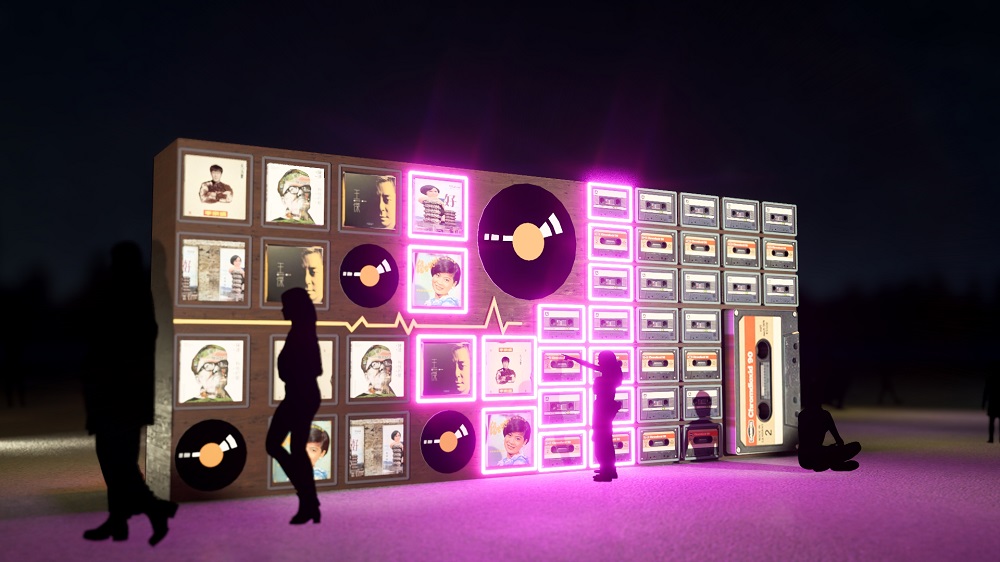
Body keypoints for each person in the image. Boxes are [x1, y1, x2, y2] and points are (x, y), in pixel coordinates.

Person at [82, 241, 178, 546]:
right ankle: (120, 520)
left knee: (117, 462)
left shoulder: (127, 292)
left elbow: (110, 344)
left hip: (118, 394)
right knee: (119, 461)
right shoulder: (145, 290)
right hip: (127, 394)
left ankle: (154, 510)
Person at [265, 287, 323, 524]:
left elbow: (313, 368)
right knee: (288, 448)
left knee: (282, 446)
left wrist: (290, 371)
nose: (282, 310)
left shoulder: (302, 333)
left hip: (301, 396)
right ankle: (309, 501)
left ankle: (308, 501)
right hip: (300, 396)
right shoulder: (301, 330)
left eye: (285, 306)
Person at [566, 351, 623, 481]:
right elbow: (590, 365)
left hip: (602, 410)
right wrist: (573, 358)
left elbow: (596, 386)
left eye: (600, 359)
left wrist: (597, 382)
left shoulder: (604, 378)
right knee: (606, 440)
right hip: (607, 408)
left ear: (606, 361)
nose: (598, 362)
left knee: (601, 441)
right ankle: (609, 469)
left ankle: (606, 472)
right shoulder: (613, 372)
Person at [797, 395, 861, 472]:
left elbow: (805, 442)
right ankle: (832, 463)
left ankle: (827, 463)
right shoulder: (824, 415)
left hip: (804, 460)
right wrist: (834, 448)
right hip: (817, 454)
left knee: (825, 452)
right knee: (856, 446)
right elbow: (839, 440)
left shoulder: (802, 415)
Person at [984, 371, 999, 443]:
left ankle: (991, 438)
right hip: (995, 403)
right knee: (992, 422)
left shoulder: (990, 379)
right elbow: (986, 391)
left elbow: (986, 391)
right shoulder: (990, 379)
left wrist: (984, 402)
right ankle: (991, 438)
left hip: (993, 403)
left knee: (991, 422)